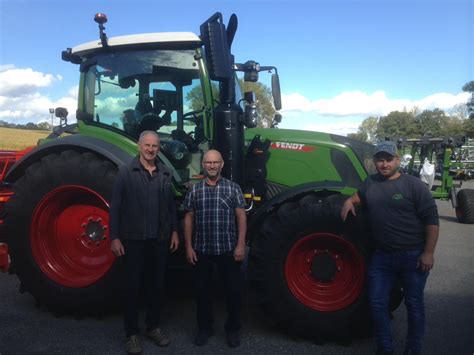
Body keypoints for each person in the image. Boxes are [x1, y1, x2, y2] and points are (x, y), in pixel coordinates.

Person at [341, 141, 439, 355]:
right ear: (375, 161)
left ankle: (413, 348)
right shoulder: (370, 183)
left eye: (388, 160)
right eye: (380, 160)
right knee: (377, 304)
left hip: (412, 256)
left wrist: (428, 253)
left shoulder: (413, 185)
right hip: (382, 257)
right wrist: (350, 200)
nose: (384, 164)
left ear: (397, 160)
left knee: (414, 305)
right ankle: (385, 348)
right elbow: (360, 195)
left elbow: (432, 221)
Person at [109, 130, 179, 354]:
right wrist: (114, 237)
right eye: (147, 145)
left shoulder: (165, 173)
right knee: (132, 287)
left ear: (159, 148)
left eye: (155, 146)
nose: (151, 149)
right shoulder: (126, 172)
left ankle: (153, 327)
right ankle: (131, 334)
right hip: (133, 240)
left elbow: (170, 207)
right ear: (139, 146)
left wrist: (175, 231)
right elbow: (116, 207)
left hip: (159, 240)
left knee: (156, 286)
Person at [183, 149, 247, 348]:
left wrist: (240, 245)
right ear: (203, 165)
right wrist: (188, 247)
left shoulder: (233, 188)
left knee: (233, 293)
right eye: (208, 162)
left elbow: (241, 217)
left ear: (222, 165)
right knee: (202, 293)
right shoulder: (195, 189)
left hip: (228, 249)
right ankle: (205, 328)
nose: (212, 166)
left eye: (215, 162)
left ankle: (232, 330)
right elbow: (188, 218)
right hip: (202, 249)